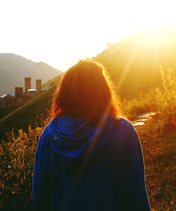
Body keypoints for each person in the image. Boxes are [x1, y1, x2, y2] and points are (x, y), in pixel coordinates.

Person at [32, 59, 150, 211]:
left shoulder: (49, 135)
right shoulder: (123, 131)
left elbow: (40, 195)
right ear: (103, 91)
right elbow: (137, 193)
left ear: (65, 94)